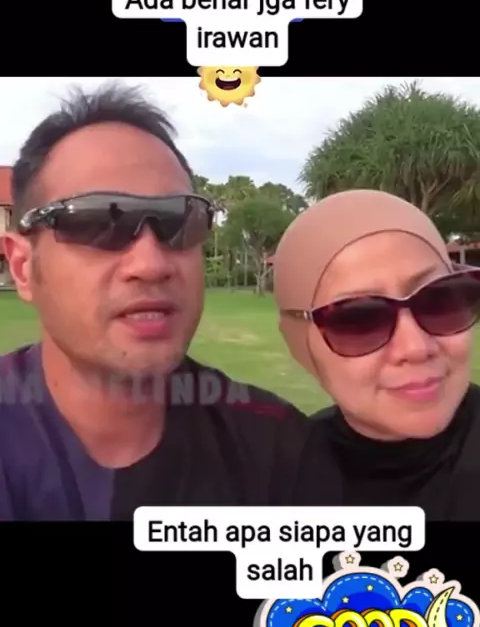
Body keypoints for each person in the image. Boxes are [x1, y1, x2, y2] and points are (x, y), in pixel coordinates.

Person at [0, 82, 342, 520]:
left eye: (179, 221)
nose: (151, 263)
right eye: (98, 221)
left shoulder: (276, 453)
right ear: (23, 267)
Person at [273, 188, 480, 520]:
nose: (415, 348)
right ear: (302, 346)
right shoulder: (272, 491)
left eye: (439, 300)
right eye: (359, 319)